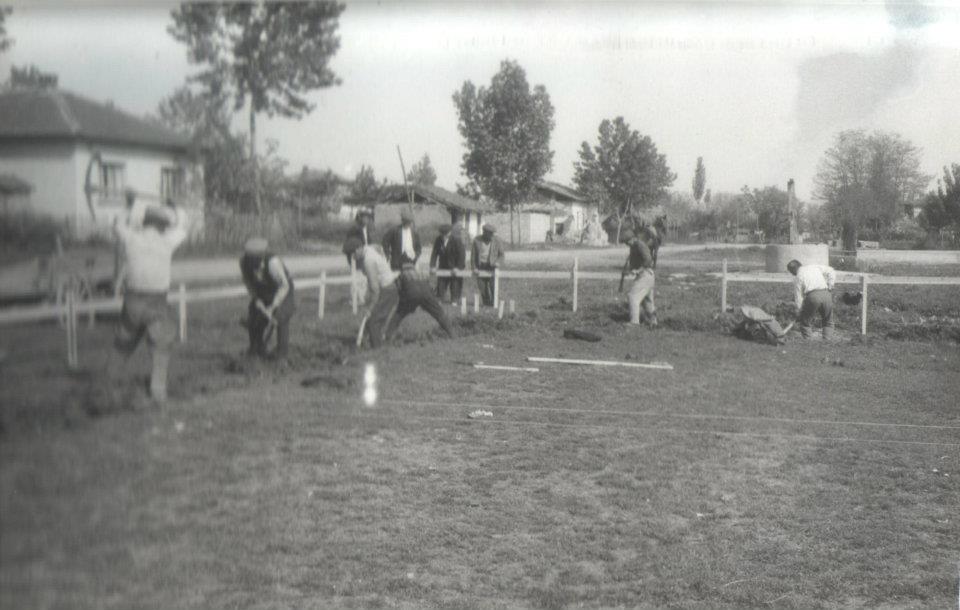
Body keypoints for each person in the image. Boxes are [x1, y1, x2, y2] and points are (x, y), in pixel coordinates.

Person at [112, 199, 188, 403]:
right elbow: (183, 225)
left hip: (132, 301)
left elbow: (117, 224)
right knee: (161, 346)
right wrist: (175, 206)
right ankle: (158, 392)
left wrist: (128, 205)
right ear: (163, 226)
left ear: (143, 223)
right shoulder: (167, 241)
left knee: (124, 344)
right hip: (156, 301)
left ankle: (107, 388)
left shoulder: (131, 238)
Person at [345, 237, 454, 348]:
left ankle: (382, 343)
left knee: (388, 318)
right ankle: (453, 334)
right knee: (436, 312)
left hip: (401, 291)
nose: (352, 257)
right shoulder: (368, 249)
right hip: (420, 291)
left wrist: (372, 307)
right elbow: (378, 247)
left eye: (353, 253)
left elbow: (384, 288)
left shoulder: (374, 263)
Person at [240, 237, 296, 358]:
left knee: (281, 317)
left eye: (256, 259)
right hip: (262, 291)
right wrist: (257, 299)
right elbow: (248, 283)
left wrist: (273, 306)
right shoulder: (243, 262)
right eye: (250, 259)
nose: (253, 263)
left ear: (262, 255)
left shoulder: (272, 263)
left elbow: (283, 286)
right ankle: (256, 349)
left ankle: (281, 354)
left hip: (283, 290)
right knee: (255, 314)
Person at [787, 259, 836, 339]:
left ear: (794, 269)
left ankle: (809, 343)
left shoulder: (798, 277)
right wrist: (831, 284)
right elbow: (831, 271)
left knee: (805, 322)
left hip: (812, 296)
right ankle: (827, 342)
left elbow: (798, 298)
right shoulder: (814, 267)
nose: (792, 274)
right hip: (826, 294)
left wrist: (800, 312)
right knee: (828, 320)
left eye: (791, 272)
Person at [619, 228, 658, 328]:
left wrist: (638, 270)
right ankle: (652, 321)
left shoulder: (640, 245)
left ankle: (634, 322)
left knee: (633, 296)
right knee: (647, 301)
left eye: (627, 242)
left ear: (632, 239)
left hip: (645, 275)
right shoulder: (634, 247)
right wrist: (629, 270)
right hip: (647, 276)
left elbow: (649, 260)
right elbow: (635, 262)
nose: (626, 244)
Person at [430, 224, 466, 302]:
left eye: (445, 234)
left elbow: (462, 255)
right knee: (441, 285)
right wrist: (432, 266)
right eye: (442, 234)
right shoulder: (438, 240)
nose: (443, 236)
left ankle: (454, 301)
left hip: (455, 267)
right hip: (443, 266)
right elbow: (434, 253)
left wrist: (458, 268)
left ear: (449, 233)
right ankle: (440, 299)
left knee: (455, 285)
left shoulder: (457, 240)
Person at [471, 223, 505, 306]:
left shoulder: (497, 241)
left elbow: (501, 255)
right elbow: (473, 255)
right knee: (482, 287)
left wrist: (498, 262)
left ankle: (494, 303)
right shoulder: (477, 240)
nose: (491, 236)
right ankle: (486, 303)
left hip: (492, 266)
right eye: (489, 234)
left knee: (493, 286)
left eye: (492, 234)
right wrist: (474, 267)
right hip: (481, 266)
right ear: (484, 232)